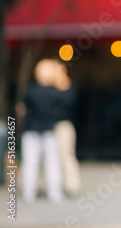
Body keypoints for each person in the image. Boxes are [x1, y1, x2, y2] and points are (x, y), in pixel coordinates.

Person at [19, 59, 66, 203]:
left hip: (31, 131)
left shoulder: (30, 91)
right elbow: (64, 108)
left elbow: (22, 109)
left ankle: (29, 193)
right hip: (49, 131)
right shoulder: (55, 92)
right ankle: (54, 193)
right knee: (52, 162)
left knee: (30, 162)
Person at [53, 61, 81, 197]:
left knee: (66, 154)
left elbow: (67, 104)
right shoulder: (49, 87)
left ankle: (71, 185)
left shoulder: (68, 87)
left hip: (64, 125)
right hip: (49, 126)